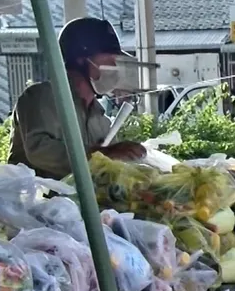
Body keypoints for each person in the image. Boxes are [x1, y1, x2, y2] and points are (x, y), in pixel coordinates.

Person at [9, 17, 146, 179]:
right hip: (39, 195)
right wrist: (103, 153)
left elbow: (110, 166)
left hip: (81, 196)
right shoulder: (41, 97)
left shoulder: (101, 120)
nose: (115, 67)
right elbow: (39, 151)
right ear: (81, 59)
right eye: (109, 60)